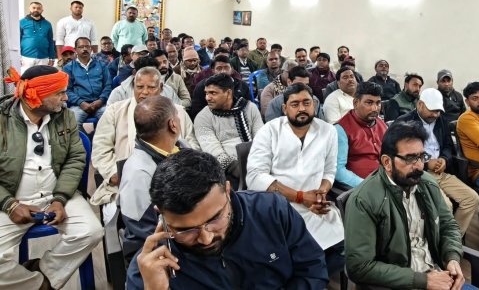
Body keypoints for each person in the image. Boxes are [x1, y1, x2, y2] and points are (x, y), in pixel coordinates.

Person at [126, 150, 329, 289]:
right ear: (160, 213)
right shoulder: (149, 269)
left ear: (228, 191)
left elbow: (312, 270)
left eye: (215, 219)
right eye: (185, 230)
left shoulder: (272, 211)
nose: (206, 239)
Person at [0, 66, 103, 289]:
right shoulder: (2, 120)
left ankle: (44, 274)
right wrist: (10, 204)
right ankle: (38, 284)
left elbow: (75, 158)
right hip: (9, 200)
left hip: (56, 194)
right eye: (60, 93)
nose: (66, 98)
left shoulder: (65, 117)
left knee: (91, 231)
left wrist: (60, 198)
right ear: (35, 94)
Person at [344, 121, 476, 289]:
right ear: (387, 162)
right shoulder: (364, 200)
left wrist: (452, 257)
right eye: (410, 158)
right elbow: (359, 267)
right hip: (398, 284)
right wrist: (423, 281)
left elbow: (448, 225)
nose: (419, 165)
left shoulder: (426, 183)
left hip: (436, 276)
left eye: (421, 156)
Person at [246, 83, 345, 276]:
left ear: (314, 105)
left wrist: (321, 194)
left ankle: (313, 278)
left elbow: (329, 171)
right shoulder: (270, 130)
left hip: (315, 205)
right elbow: (255, 176)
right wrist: (301, 197)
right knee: (296, 254)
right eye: (295, 104)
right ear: (285, 108)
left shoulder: (328, 131)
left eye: (306, 103)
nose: (302, 108)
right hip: (278, 206)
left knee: (344, 249)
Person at [91, 67, 199, 208]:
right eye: (140, 87)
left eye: (151, 87)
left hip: (174, 183)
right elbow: (101, 149)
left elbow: (192, 146)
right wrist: (113, 173)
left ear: (161, 88)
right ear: (133, 87)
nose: (145, 92)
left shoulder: (178, 112)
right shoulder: (115, 111)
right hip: (124, 183)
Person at [397, 88, 479, 236]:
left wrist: (444, 159)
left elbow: (448, 145)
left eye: (438, 111)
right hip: (418, 174)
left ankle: (453, 238)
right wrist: (426, 162)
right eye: (433, 110)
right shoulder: (404, 123)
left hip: (440, 171)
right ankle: (439, 241)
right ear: (420, 105)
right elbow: (401, 154)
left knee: (472, 199)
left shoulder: (441, 120)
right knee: (445, 205)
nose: (436, 114)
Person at [120, 96, 190, 261]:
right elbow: (145, 233)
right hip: (162, 251)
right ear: (173, 125)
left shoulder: (181, 146)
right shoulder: (139, 173)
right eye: (177, 116)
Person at [193, 74, 263, 188]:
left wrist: (260, 163)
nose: (207, 98)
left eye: (213, 93)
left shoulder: (249, 108)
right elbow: (214, 152)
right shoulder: (202, 117)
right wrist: (241, 170)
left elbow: (261, 139)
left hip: (257, 162)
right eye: (206, 93)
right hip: (226, 172)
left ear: (229, 93)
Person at [334, 82, 387, 188]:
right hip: (361, 187)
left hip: (387, 179)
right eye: (369, 103)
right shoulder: (341, 129)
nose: (375, 108)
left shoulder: (381, 124)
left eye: (378, 103)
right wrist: (366, 185)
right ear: (355, 103)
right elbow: (338, 170)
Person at [63, 37, 112, 124]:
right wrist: (81, 102)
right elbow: (67, 90)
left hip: (100, 104)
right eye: (81, 47)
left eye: (87, 46)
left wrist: (101, 100)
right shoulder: (68, 68)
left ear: (91, 49)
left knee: (110, 118)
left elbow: (108, 86)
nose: (85, 49)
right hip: (78, 105)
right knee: (73, 122)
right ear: (75, 50)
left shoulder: (101, 65)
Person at [19, 1, 56, 73]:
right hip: (26, 58)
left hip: (43, 58)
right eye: (34, 8)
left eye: (38, 8)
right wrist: (18, 57)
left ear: (42, 10)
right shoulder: (22, 22)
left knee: (42, 79)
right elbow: (17, 40)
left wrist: (52, 58)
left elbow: (50, 41)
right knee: (26, 78)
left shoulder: (47, 24)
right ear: (29, 9)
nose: (36, 10)